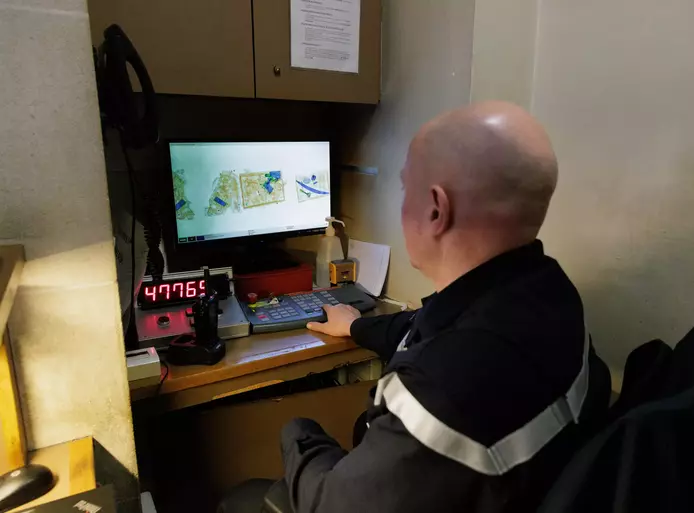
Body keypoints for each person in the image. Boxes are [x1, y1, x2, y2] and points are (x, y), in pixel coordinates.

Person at [221, 102, 608, 513]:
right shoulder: (551, 293)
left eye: (406, 189)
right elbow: (428, 324)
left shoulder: (443, 387)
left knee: (242, 498)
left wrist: (298, 432)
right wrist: (355, 327)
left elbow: (331, 504)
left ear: (436, 209)